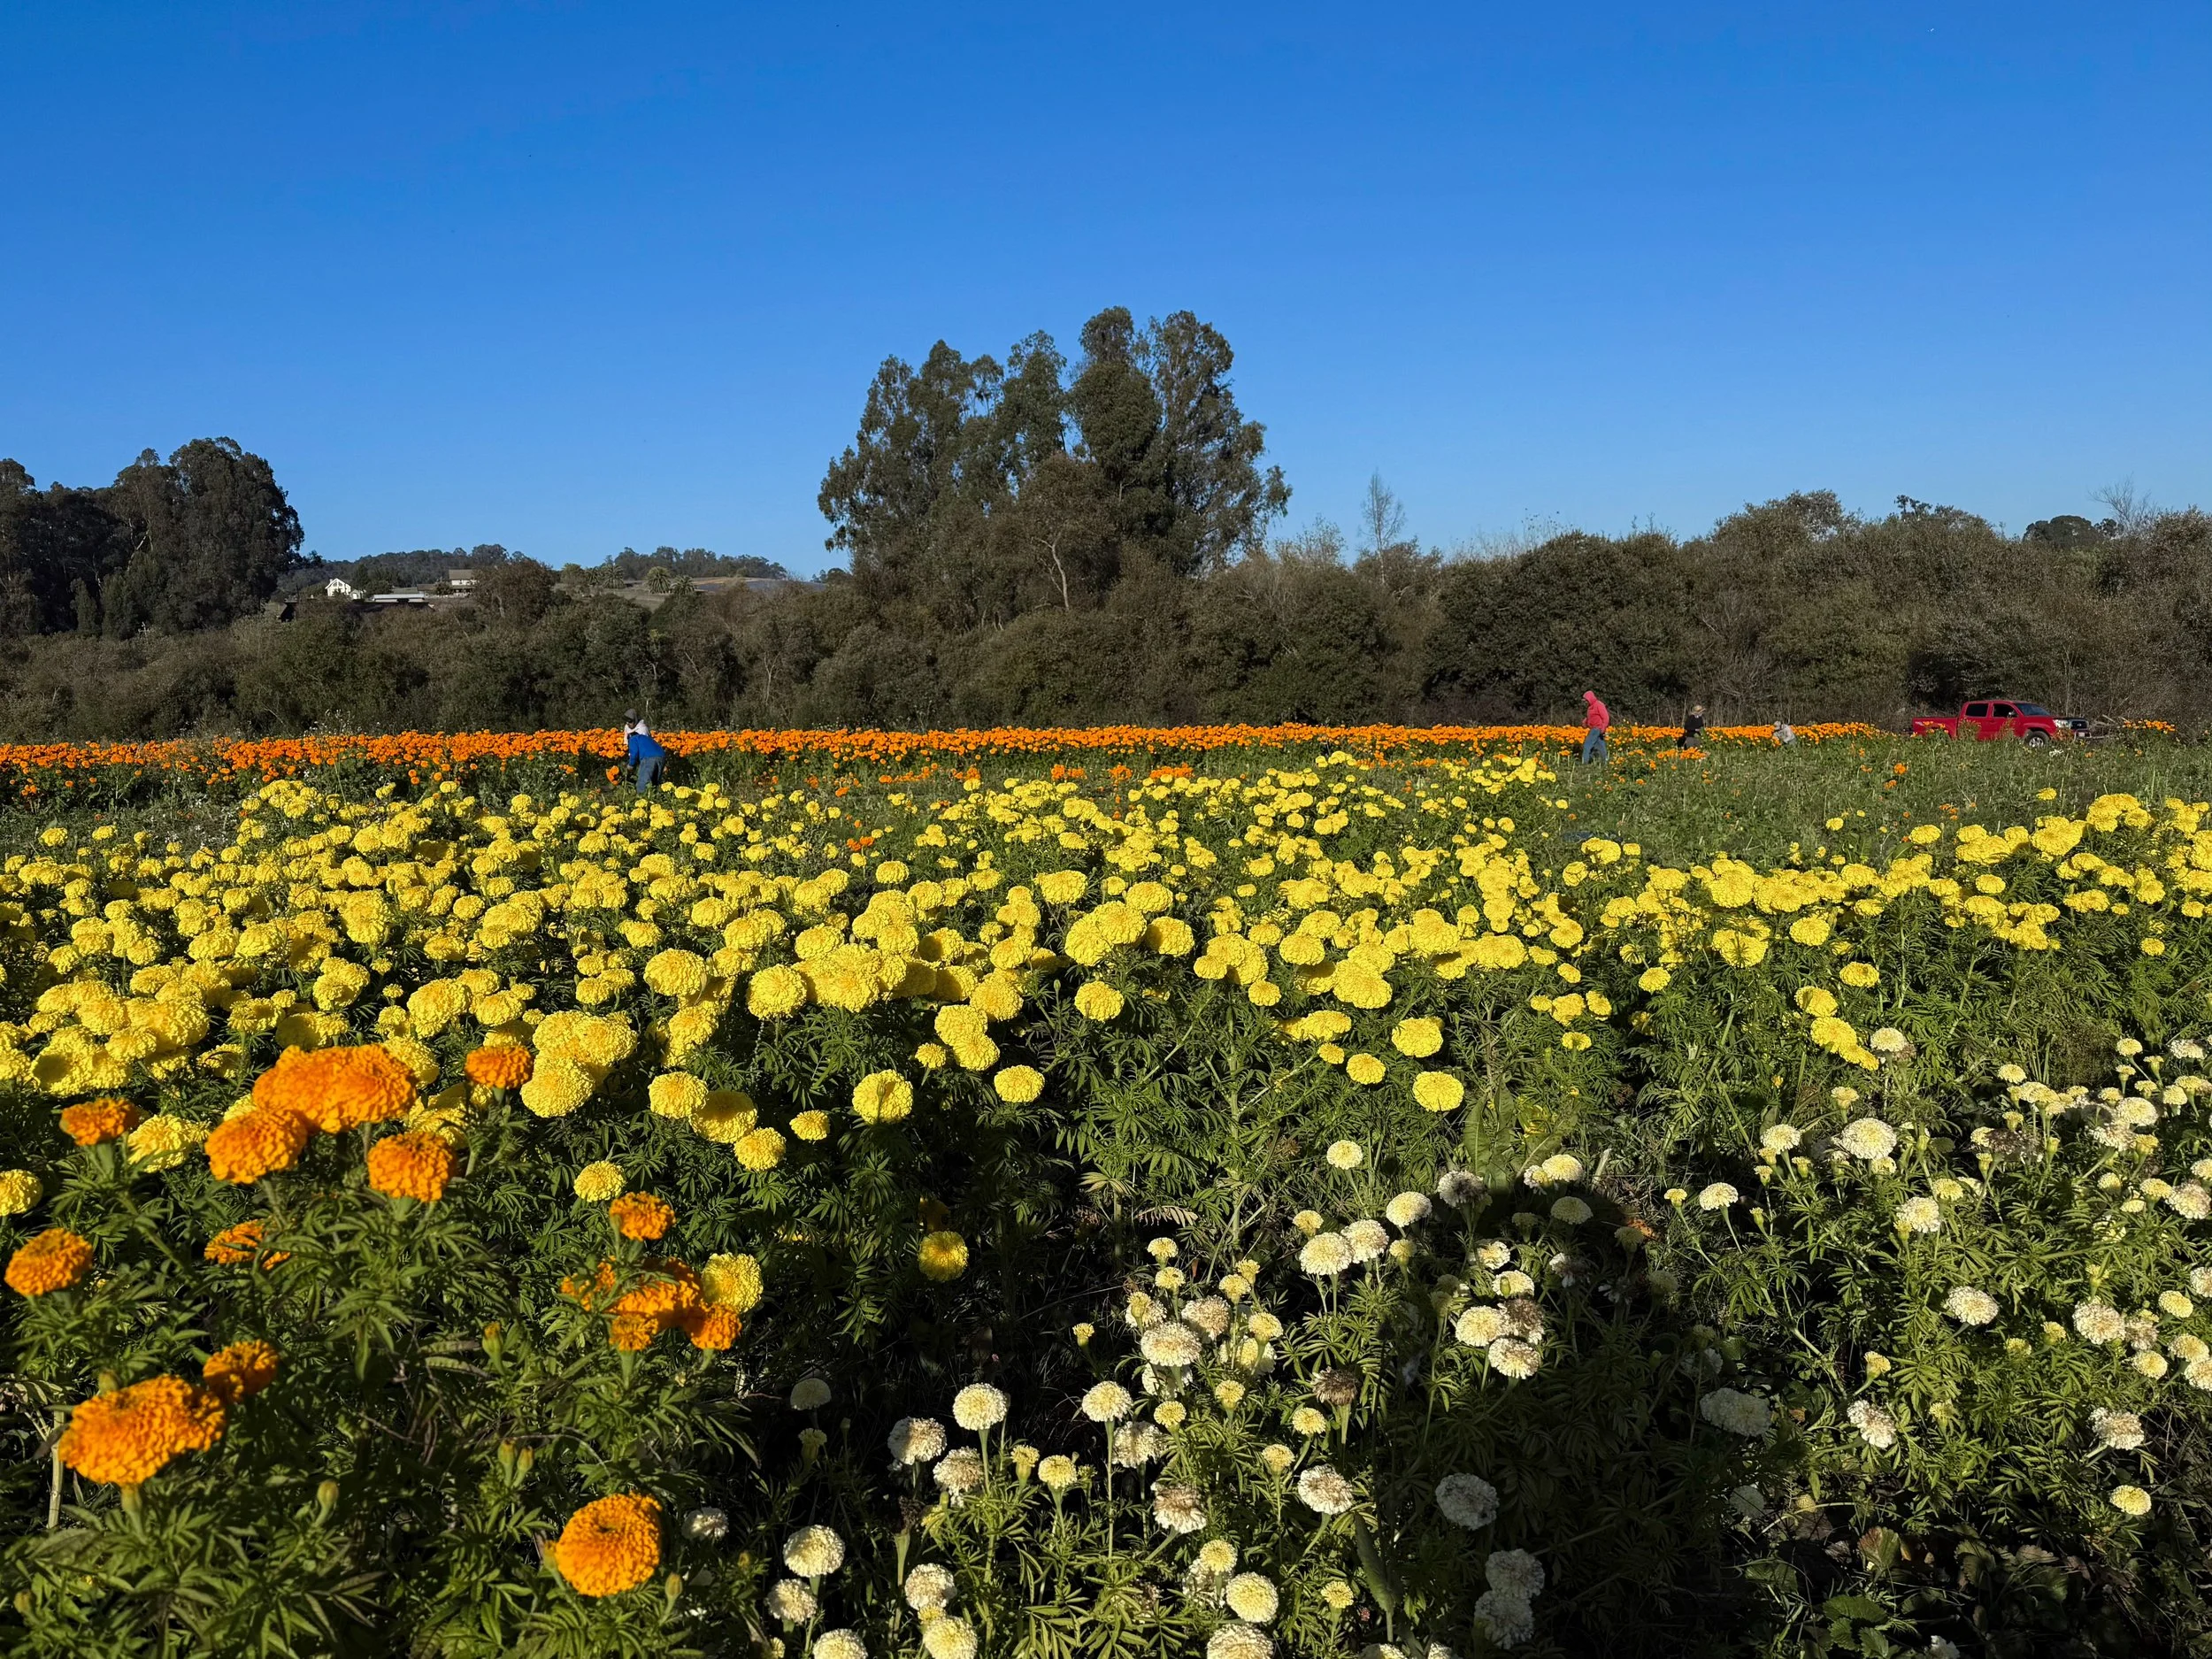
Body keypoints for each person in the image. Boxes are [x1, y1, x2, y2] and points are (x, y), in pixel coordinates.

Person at [624, 710, 667, 793]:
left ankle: (641, 801)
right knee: (655, 783)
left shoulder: (633, 739)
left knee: (642, 783)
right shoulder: (644, 737)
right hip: (661, 756)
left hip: (649, 758)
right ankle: (656, 800)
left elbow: (634, 753)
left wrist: (630, 765)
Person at [1580, 690, 1609, 765]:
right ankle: (1604, 763)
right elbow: (1591, 717)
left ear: (1590, 698)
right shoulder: (1590, 707)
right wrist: (1585, 722)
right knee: (1600, 746)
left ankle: (1585, 763)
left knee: (1587, 745)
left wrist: (1603, 728)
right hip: (1596, 729)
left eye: (1586, 700)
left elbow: (1605, 717)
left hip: (1597, 729)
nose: (1585, 702)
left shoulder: (1598, 705)